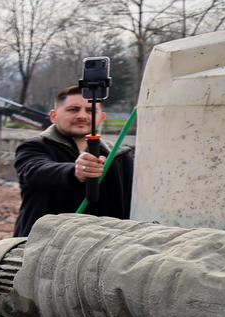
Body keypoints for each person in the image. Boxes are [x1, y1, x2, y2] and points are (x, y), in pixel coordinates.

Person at [13, 85, 135, 237]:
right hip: (43, 243)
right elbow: (34, 171)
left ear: (102, 118)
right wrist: (75, 172)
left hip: (104, 244)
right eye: (73, 109)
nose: (82, 116)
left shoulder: (120, 156)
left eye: (90, 110)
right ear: (53, 116)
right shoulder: (34, 147)